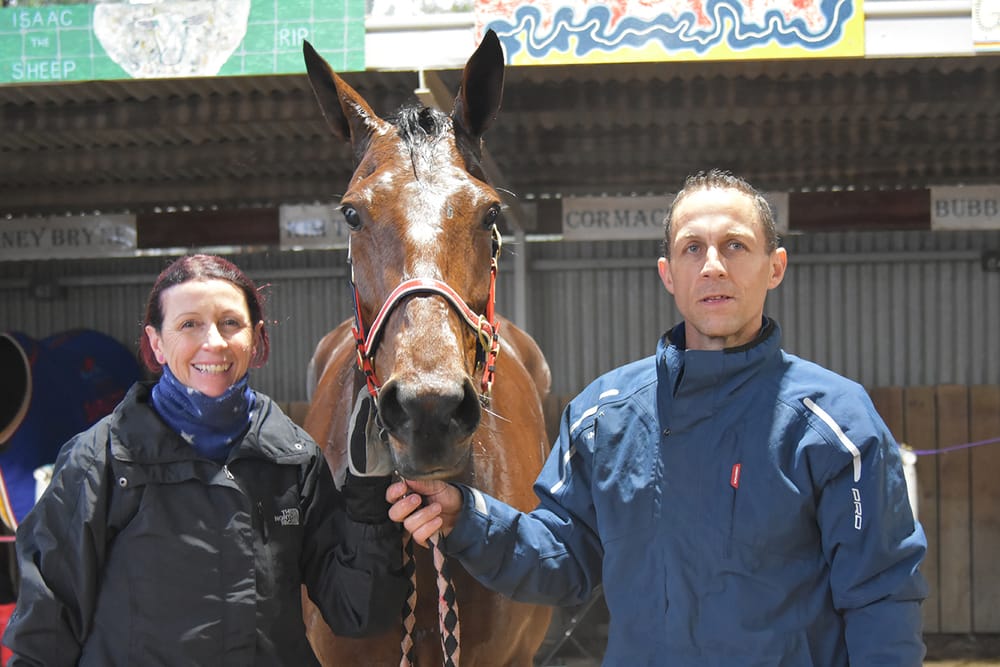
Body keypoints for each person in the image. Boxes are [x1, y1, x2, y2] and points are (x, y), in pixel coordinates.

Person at [389, 169, 929, 665]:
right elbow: (561, 558)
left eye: (735, 246)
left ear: (775, 267)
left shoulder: (834, 425)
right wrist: (467, 516)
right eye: (693, 248)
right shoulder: (604, 417)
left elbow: (882, 595)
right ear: (669, 275)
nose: (713, 265)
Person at [2, 254, 408, 666]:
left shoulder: (293, 460)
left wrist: (369, 498)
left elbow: (357, 613)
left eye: (230, 323)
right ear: (157, 343)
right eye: (189, 324)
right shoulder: (98, 462)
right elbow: (44, 636)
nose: (213, 341)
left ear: (256, 338)